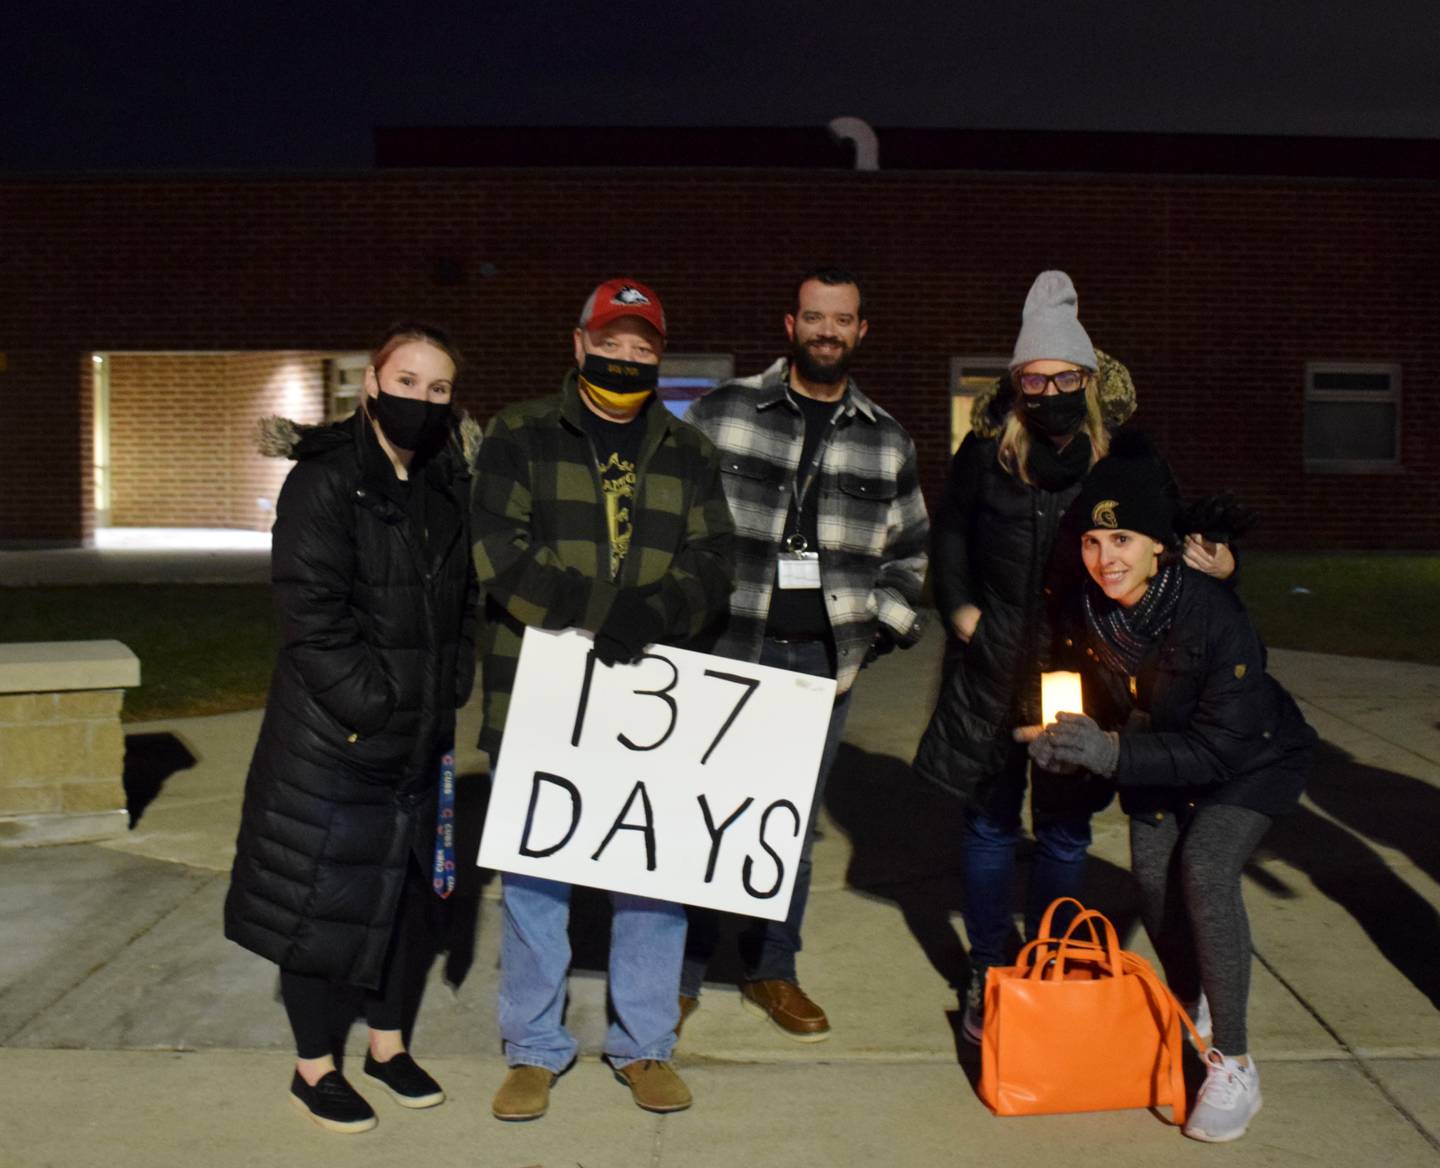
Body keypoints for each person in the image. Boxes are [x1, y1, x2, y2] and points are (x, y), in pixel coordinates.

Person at [912, 271, 1237, 1045]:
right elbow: (950, 533)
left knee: (1062, 830)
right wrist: (958, 611)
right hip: (992, 665)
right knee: (990, 826)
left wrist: (1224, 568)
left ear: (1086, 379)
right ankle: (989, 968)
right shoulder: (986, 452)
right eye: (1034, 377)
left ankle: (1051, 955)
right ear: (1017, 382)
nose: (1049, 388)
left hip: (1084, 671)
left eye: (1064, 376)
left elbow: (1172, 542)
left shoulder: (1126, 456)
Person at [471, 278, 734, 1120]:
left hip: (648, 699)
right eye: (611, 344)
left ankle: (643, 1044)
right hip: (539, 696)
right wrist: (599, 611)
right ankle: (536, 1048)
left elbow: (714, 562)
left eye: (643, 349)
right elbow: (498, 554)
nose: (626, 360)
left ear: (660, 356)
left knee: (651, 880)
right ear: (578, 343)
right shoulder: (519, 434)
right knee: (537, 883)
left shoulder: (688, 452)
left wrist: (654, 613)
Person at [224, 322, 480, 1134]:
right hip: (340, 740)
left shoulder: (444, 481)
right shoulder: (326, 481)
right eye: (408, 382)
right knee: (324, 901)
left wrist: (450, 685)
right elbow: (311, 617)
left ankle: (387, 1046)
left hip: (418, 740)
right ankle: (314, 1068)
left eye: (439, 389)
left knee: (407, 901)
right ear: (372, 385)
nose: (423, 400)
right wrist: (374, 708)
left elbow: (462, 601)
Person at [1026, 433, 1315, 1143]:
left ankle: (1235, 1062)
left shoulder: (1212, 614)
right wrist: (1065, 742)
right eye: (1094, 542)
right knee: (1154, 880)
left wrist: (1112, 752)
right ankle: (1193, 1007)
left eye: (1122, 538)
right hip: (1158, 756)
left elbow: (1222, 745)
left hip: (1252, 759)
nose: (1106, 559)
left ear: (1160, 544)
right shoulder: (1092, 611)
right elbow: (1089, 699)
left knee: (1206, 867)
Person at [680, 266, 929, 1042]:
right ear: (791, 325)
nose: (828, 330)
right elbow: (671, 522)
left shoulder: (887, 438)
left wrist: (868, 633)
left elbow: (910, 554)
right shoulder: (722, 412)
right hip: (727, 651)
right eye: (815, 317)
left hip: (819, 667)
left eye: (843, 319)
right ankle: (682, 972)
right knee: (701, 815)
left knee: (785, 829)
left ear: (862, 332)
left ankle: (771, 969)